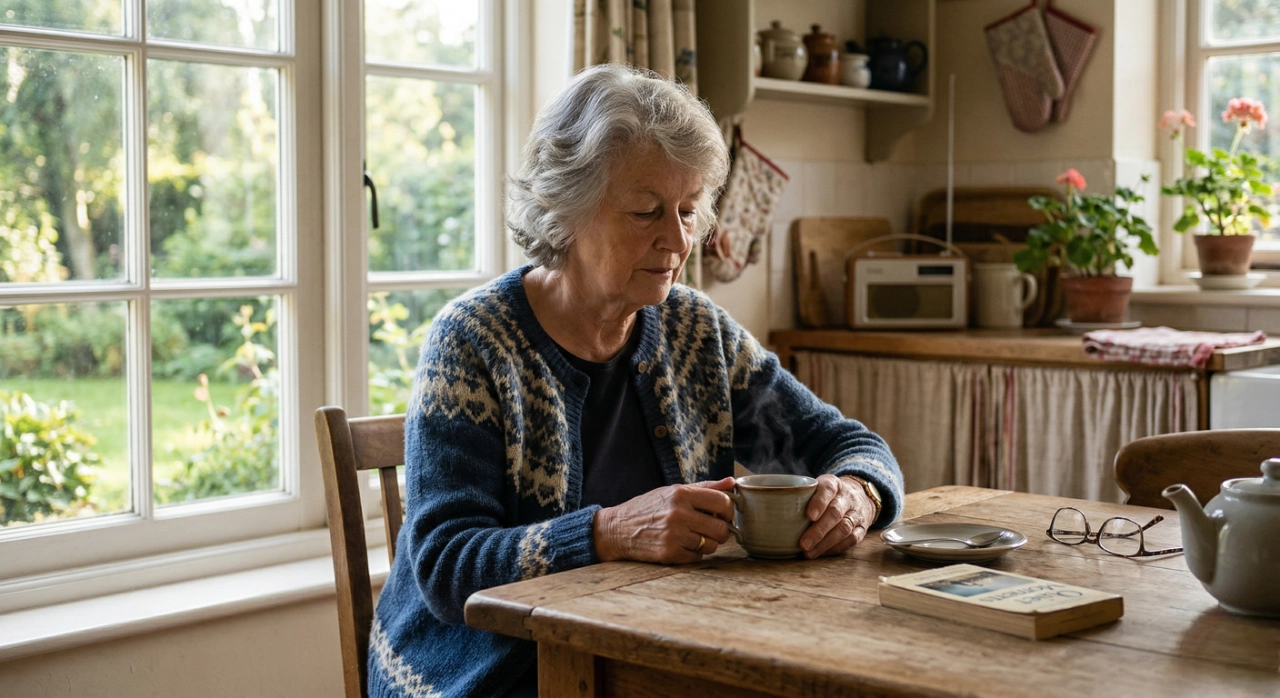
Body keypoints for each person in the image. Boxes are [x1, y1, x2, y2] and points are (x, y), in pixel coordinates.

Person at [368, 63, 903, 698]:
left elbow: (844, 442)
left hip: (651, 653)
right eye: (647, 211)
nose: (677, 239)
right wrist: (609, 532)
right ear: (562, 211)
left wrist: (861, 493)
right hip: (483, 674)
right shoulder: (474, 342)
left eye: (686, 209)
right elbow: (445, 564)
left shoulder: (695, 329)